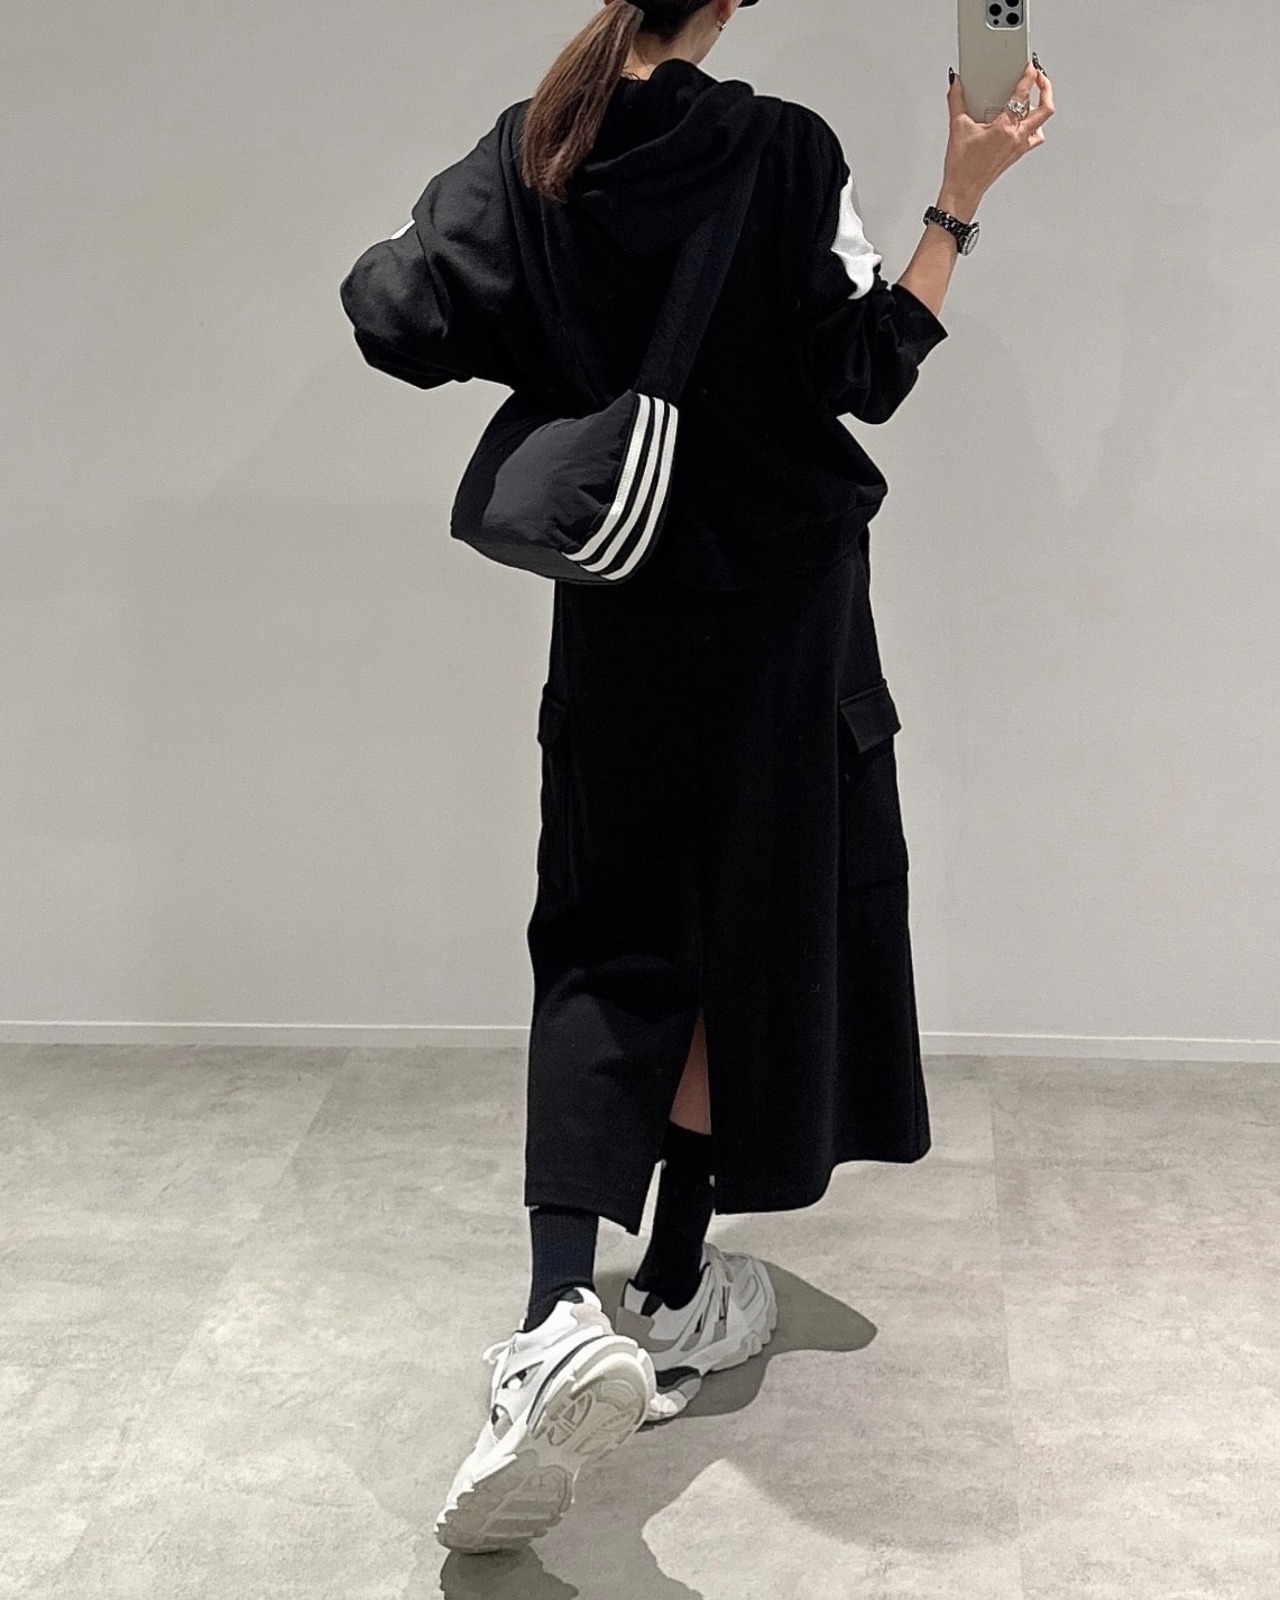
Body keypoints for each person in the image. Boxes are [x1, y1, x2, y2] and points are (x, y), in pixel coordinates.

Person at [339, 0, 1053, 1558]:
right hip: (785, 628)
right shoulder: (784, 151)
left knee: (604, 938)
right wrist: (961, 195)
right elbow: (866, 367)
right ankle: (669, 1286)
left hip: (623, 618)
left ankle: (556, 1317)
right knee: (747, 934)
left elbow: (392, 313)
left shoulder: (537, 144)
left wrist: (549, 325)